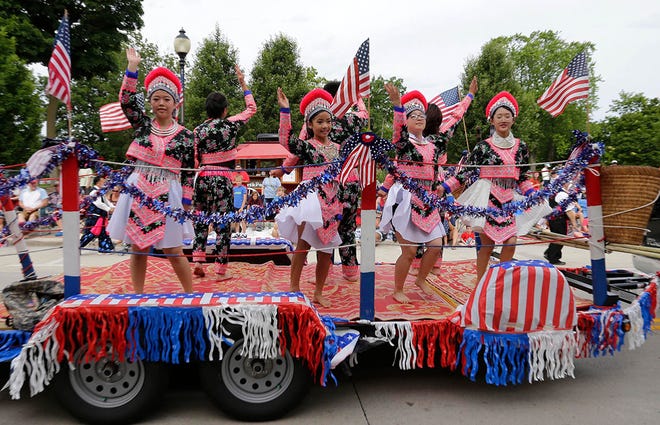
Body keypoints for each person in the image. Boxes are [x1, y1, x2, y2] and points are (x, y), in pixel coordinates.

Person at [107, 48, 195, 293]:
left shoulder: (186, 136)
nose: (161, 103)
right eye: (156, 98)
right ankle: (138, 294)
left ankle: (190, 294)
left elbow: (189, 169)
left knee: (173, 248)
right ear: (150, 101)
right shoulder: (143, 126)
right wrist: (132, 68)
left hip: (171, 189)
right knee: (138, 246)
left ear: (176, 102)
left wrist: (187, 199)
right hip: (139, 187)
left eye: (166, 99)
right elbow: (126, 101)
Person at [439, 91, 551, 283]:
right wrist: (445, 187)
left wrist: (532, 194)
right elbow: (465, 172)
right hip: (487, 199)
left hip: (508, 201)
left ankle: (501, 279)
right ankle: (482, 282)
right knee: (486, 245)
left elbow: (522, 177)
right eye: (499, 116)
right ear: (491, 120)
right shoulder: (483, 147)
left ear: (513, 119)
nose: (503, 119)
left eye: (507, 116)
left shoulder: (521, 147)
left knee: (511, 241)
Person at [275, 87, 344, 307]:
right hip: (311, 198)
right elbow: (286, 140)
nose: (325, 126)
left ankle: (318, 291)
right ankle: (294, 287)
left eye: (328, 121)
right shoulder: (306, 147)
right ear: (310, 125)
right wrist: (285, 111)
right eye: (319, 122)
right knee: (303, 244)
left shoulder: (338, 147)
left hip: (332, 200)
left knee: (326, 250)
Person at [380, 84, 448, 303]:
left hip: (427, 199)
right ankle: (398, 288)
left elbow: (436, 169)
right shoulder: (403, 144)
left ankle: (420, 279)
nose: (419, 118)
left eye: (422, 115)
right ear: (406, 121)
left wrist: (440, 186)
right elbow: (397, 133)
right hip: (405, 199)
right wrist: (397, 106)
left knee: (436, 245)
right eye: (413, 115)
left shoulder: (433, 145)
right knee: (409, 251)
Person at [191, 69, 256, 279]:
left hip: (202, 178)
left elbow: (194, 159)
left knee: (201, 219)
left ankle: (198, 260)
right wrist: (243, 83)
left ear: (207, 110)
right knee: (223, 221)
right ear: (225, 110)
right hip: (223, 178)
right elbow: (251, 108)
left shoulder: (197, 131)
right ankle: (220, 268)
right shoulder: (231, 125)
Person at [80, 176, 115, 253]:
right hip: (94, 216)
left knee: (103, 233)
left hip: (100, 216)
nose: (104, 183)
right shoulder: (93, 192)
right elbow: (99, 203)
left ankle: (106, 248)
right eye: (103, 182)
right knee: (91, 233)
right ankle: (77, 246)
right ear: (98, 182)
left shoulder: (100, 192)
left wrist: (113, 207)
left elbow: (106, 201)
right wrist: (109, 209)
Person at [544, 182, 569, 265]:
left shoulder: (553, 194)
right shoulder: (562, 194)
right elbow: (568, 210)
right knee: (560, 238)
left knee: (556, 237)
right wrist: (574, 224)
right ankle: (553, 257)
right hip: (559, 219)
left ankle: (550, 253)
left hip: (553, 218)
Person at [231, 173, 248, 238]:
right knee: (236, 220)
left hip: (242, 207)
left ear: (241, 181)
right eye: (237, 181)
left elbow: (244, 198)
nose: (238, 182)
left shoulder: (243, 188)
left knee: (243, 220)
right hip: (235, 206)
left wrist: (242, 207)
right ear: (235, 181)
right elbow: (232, 197)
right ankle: (237, 232)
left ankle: (244, 232)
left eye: (239, 181)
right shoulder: (234, 189)